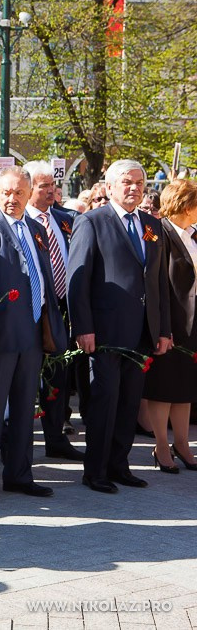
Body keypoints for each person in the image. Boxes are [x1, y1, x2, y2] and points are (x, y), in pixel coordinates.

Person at [0, 166, 67, 505]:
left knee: (25, 408)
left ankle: (20, 475)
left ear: (29, 193)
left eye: (18, 193)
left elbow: (43, 278)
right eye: (5, 192)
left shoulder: (36, 228)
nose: (11, 199)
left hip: (32, 335)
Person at [69, 160, 171, 493]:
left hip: (141, 333)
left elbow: (157, 283)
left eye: (140, 183)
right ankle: (95, 470)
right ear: (110, 186)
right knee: (104, 402)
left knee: (129, 403)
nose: (135, 188)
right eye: (127, 182)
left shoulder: (150, 225)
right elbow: (77, 280)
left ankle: (119, 464)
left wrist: (163, 330)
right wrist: (83, 327)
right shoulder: (91, 222)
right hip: (104, 334)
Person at [23, 161, 83, 462]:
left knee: (59, 377)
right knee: (28, 380)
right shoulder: (21, 223)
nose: (51, 191)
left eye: (52, 185)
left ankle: (56, 436)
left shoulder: (67, 219)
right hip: (33, 310)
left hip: (63, 311)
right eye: (43, 186)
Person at [142, 179, 197, 473]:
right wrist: (162, 326)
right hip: (169, 321)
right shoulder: (159, 233)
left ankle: (183, 445)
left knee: (186, 386)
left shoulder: (193, 234)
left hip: (192, 322)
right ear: (186, 205)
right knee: (164, 385)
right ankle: (161, 445)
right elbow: (155, 283)